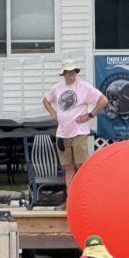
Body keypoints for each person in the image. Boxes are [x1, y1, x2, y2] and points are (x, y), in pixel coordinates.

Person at [42, 58, 106, 196]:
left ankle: (83, 195)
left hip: (79, 132)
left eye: (73, 71)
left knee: (81, 166)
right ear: (63, 74)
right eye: (67, 72)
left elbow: (103, 101)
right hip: (62, 133)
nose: (70, 74)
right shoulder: (57, 88)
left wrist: (89, 115)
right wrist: (54, 114)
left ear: (76, 72)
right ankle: (71, 197)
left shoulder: (85, 87)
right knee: (68, 167)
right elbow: (46, 101)